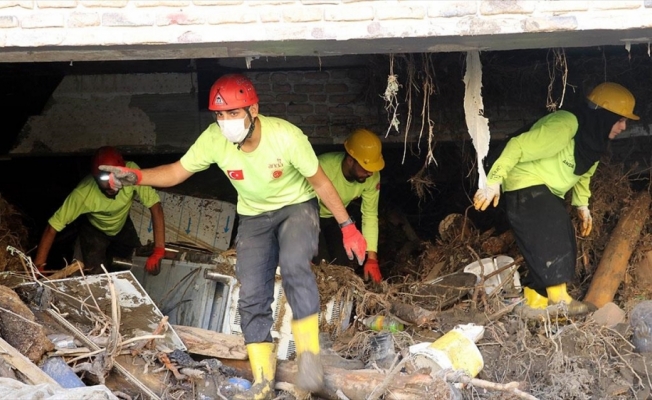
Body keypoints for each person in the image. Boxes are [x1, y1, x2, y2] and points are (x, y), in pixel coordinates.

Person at [99, 73, 367, 399]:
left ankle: (310, 360)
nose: (226, 122)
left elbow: (322, 182)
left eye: (233, 113)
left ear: (254, 110)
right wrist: (136, 177)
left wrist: (348, 227)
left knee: (295, 265)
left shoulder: (287, 137)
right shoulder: (214, 139)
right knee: (252, 293)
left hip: (296, 206)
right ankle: (263, 382)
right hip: (254, 216)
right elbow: (177, 171)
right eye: (220, 115)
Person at [473, 82, 639, 316]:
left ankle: (537, 303)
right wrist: (494, 181)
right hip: (525, 182)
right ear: (604, 115)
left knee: (559, 234)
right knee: (553, 225)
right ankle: (559, 300)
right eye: (620, 119)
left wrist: (582, 205)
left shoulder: (592, 142)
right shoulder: (565, 124)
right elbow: (517, 145)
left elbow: (583, 175)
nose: (624, 126)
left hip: (547, 191)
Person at [33, 146, 166, 275]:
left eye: (116, 177)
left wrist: (159, 251)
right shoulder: (82, 194)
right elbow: (52, 227)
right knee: (95, 274)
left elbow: (155, 207)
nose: (111, 184)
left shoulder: (131, 174)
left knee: (132, 262)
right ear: (95, 177)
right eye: (104, 179)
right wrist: (38, 268)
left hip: (122, 225)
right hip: (95, 230)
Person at [316, 128, 384, 283]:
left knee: (342, 267)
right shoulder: (323, 167)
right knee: (322, 265)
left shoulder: (371, 177)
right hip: (310, 217)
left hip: (338, 218)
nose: (370, 174)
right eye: (366, 168)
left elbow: (370, 214)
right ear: (350, 160)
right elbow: (304, 207)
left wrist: (372, 258)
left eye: (373, 169)